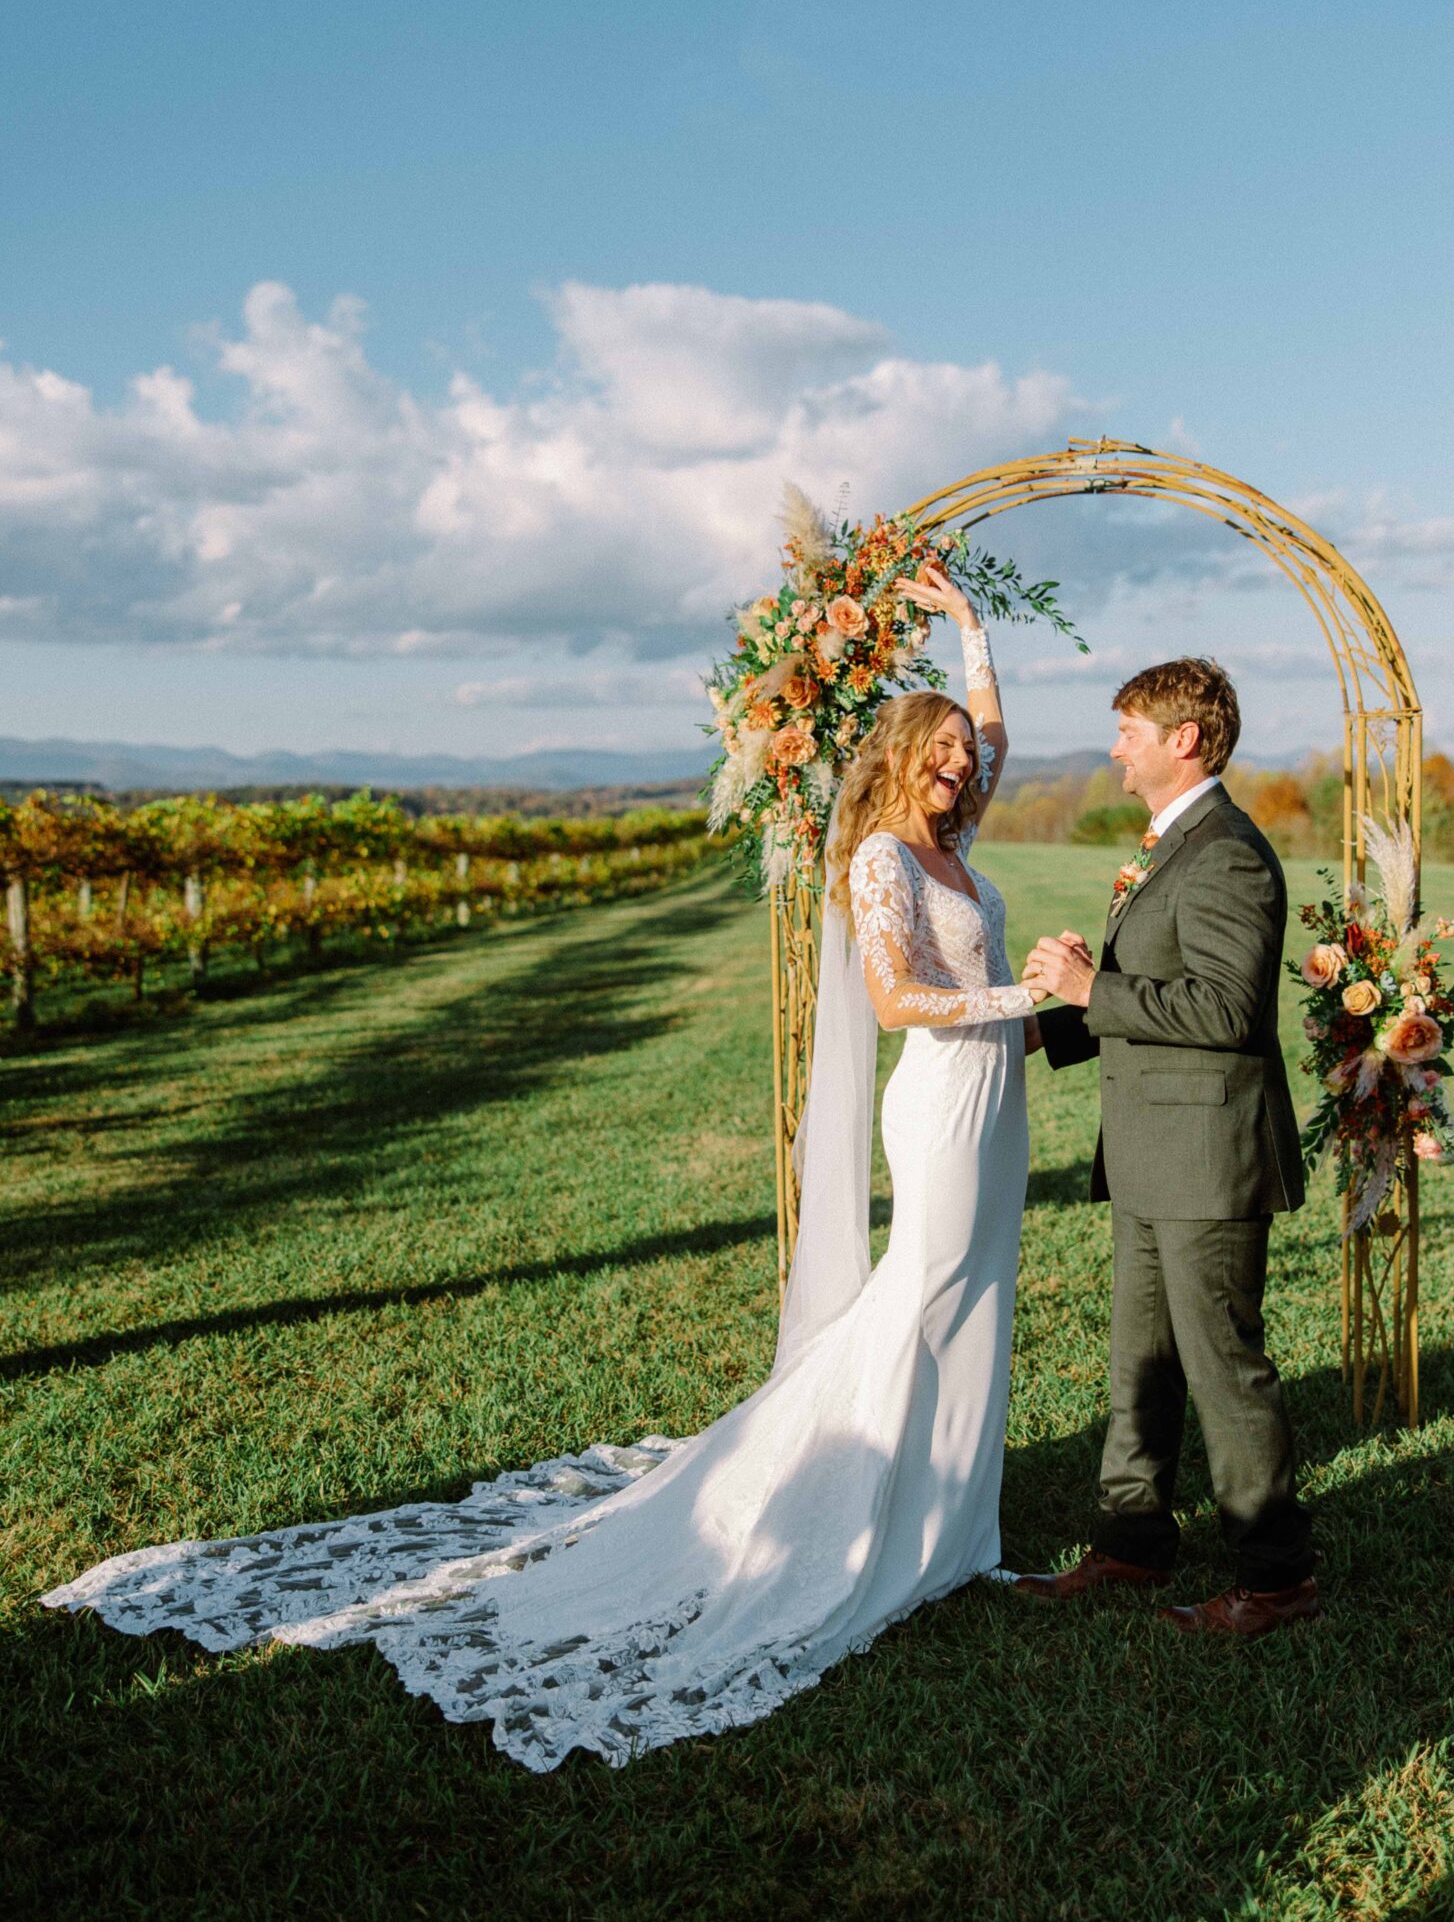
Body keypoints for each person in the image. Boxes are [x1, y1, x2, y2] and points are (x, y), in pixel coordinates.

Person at [44, 565, 1049, 1772]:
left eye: (961, 755)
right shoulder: (887, 857)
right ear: (895, 757)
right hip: (941, 1101)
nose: (956, 764)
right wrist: (1020, 993)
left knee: (978, 1295)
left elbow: (994, 737)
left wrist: (971, 631)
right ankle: (841, 1519)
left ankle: (952, 1535)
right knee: (922, 1294)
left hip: (1000, 1107)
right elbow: (893, 998)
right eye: (936, 750)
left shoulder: (954, 840)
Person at [1017, 657, 1319, 1636]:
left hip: (1205, 1156)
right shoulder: (1166, 845)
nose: (1113, 748)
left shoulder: (1226, 851)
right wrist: (1043, 1024)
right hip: (1148, 1151)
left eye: (1127, 730)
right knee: (1136, 1358)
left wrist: (1082, 991)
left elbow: (1227, 1009)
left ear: (1183, 738)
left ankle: (1274, 1577)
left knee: (1220, 1366)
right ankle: (1132, 1541)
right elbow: (1151, 989)